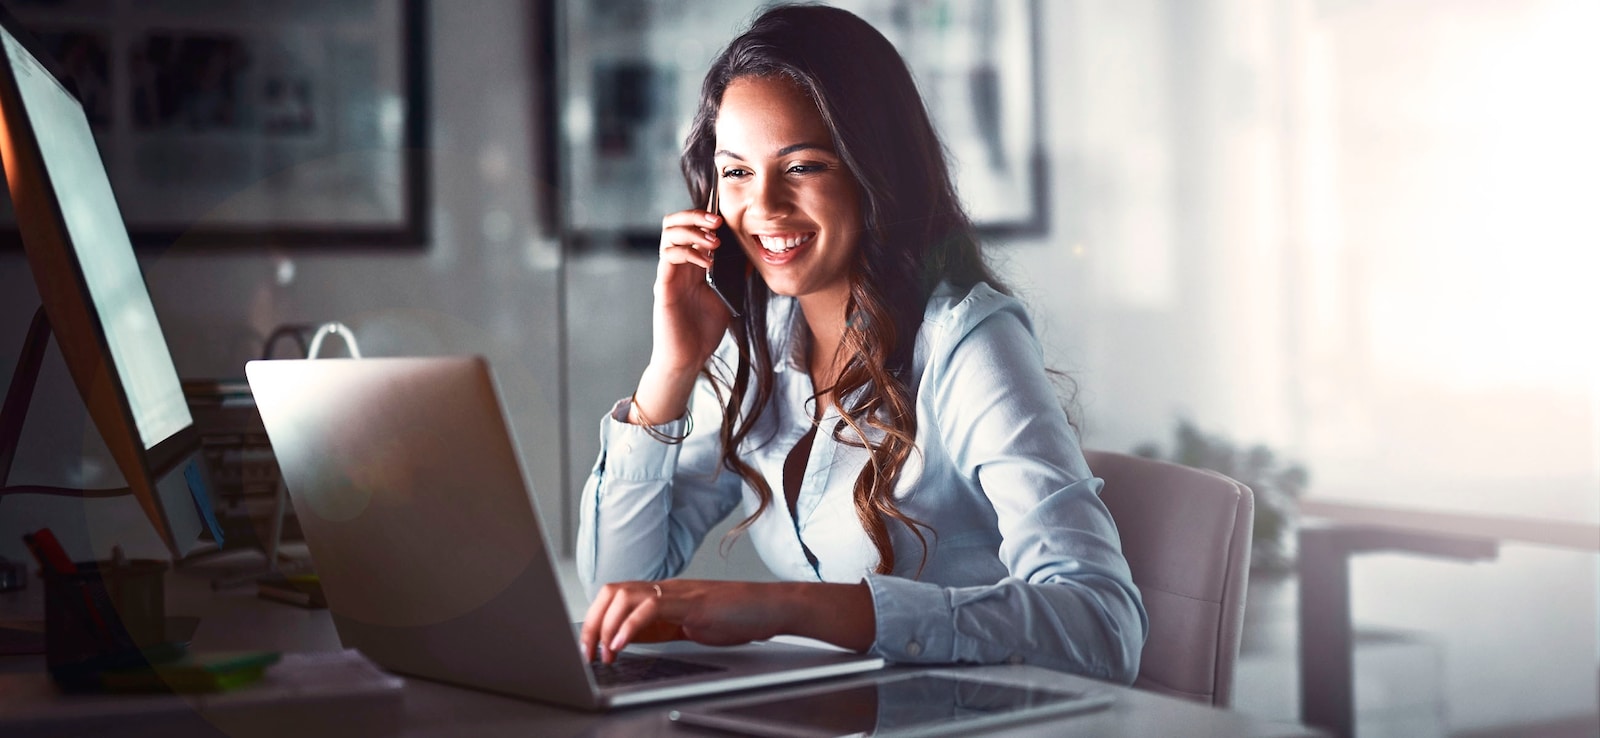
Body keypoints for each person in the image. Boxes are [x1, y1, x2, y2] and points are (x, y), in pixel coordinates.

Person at [577, 4, 1147, 683]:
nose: (763, 207)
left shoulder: (967, 343)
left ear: (873, 172)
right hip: (836, 718)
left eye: (803, 166)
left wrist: (790, 607)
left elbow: (1102, 624)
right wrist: (669, 372)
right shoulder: (759, 343)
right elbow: (618, 590)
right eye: (735, 172)